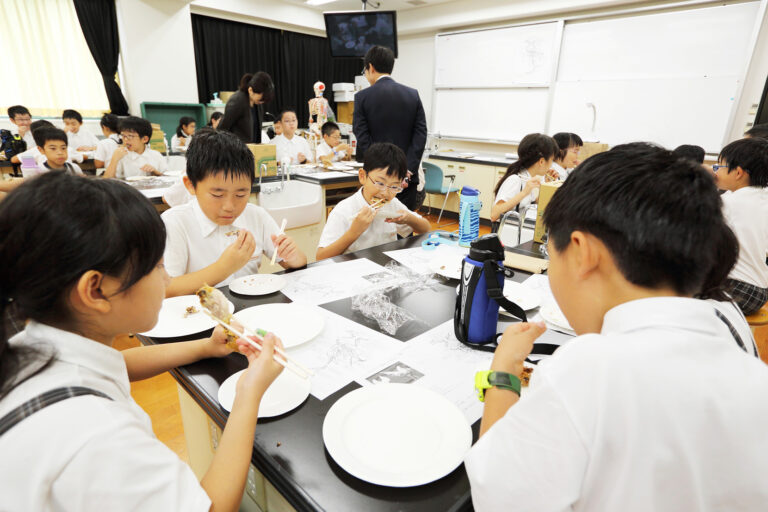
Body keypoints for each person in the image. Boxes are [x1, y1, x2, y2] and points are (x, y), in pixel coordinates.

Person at [465, 143, 768, 511]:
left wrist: (503, 375)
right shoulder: (743, 354)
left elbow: (497, 498)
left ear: (581, 251)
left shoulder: (589, 369)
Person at [0, 171, 285, 511]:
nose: (166, 280)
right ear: (95, 290)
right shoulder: (98, 435)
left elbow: (115, 367)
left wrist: (204, 347)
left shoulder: (28, 346)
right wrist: (248, 394)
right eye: (158, 267)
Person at [162, 129, 306, 297]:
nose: (230, 206)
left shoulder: (256, 215)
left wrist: (293, 256)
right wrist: (224, 268)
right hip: (197, 315)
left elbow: (297, 261)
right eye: (217, 195)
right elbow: (166, 288)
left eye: (241, 194)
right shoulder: (175, 222)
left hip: (248, 312)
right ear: (191, 185)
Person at [316, 143, 430, 260]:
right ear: (362, 176)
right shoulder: (344, 210)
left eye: (395, 186)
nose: (385, 193)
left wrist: (409, 219)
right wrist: (354, 232)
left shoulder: (392, 204)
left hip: (385, 267)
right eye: (380, 183)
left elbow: (426, 229)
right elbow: (321, 257)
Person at [353, 46, 427, 211]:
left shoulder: (362, 97)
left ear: (370, 67)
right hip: (405, 180)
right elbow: (420, 134)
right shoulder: (412, 95)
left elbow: (362, 135)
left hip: (376, 181)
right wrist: (407, 169)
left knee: (375, 225)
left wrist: (379, 169)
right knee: (403, 226)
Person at [714, 137, 768, 315]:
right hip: (760, 291)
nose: (715, 171)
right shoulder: (762, 198)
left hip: (733, 287)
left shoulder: (728, 202)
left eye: (719, 166)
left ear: (738, 173)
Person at [490, 133, 558, 224]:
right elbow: (494, 215)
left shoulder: (528, 177)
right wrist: (524, 192)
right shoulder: (515, 180)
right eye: (552, 160)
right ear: (541, 161)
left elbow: (533, 203)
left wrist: (546, 185)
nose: (551, 165)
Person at [218, 72, 275, 144]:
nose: (262, 102)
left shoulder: (257, 103)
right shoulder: (238, 100)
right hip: (236, 148)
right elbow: (222, 128)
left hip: (251, 149)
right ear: (250, 90)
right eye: (261, 99)